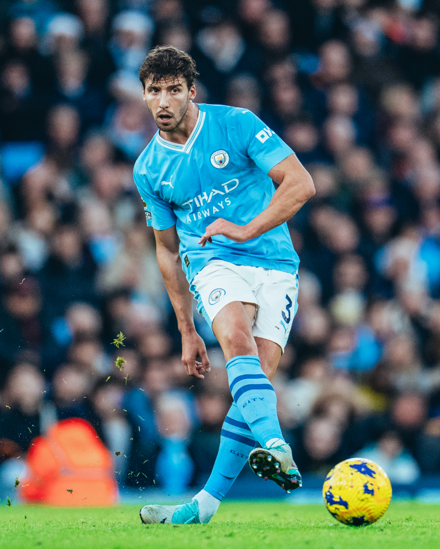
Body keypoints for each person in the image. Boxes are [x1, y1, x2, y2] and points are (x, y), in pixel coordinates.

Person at [134, 46, 315, 525]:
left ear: (192, 92)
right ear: (145, 96)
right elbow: (168, 251)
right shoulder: (149, 169)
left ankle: (204, 506)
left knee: (255, 381)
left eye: (174, 89)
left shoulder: (235, 123)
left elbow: (299, 183)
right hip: (212, 259)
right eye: (155, 91)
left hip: (275, 260)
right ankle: (278, 447)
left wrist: (247, 228)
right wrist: (186, 329)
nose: (164, 100)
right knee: (236, 340)